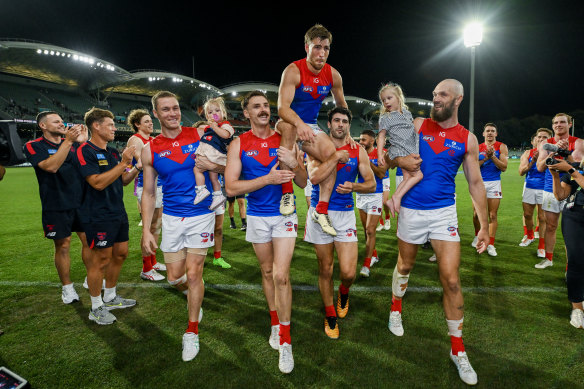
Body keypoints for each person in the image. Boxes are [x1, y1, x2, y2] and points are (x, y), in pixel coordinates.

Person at [388, 79, 489, 386]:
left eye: (442, 95)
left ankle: (457, 350)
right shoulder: (418, 124)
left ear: (457, 99)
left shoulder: (467, 139)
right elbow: (388, 155)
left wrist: (484, 225)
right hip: (412, 209)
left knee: (452, 279)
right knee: (405, 265)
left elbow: (475, 183)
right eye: (434, 95)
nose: (436, 99)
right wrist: (398, 159)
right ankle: (395, 309)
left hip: (444, 212)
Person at [225, 90, 307, 374]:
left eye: (266, 105)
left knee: (281, 275)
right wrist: (266, 179)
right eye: (256, 106)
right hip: (258, 217)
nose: (263, 109)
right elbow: (231, 188)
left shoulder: (285, 138)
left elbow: (302, 182)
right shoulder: (238, 144)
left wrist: (295, 164)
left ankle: (286, 340)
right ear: (245, 113)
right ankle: (275, 322)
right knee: (267, 272)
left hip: (284, 215)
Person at [141, 91, 215, 362]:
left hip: (201, 214)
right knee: (174, 277)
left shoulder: (199, 135)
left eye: (175, 108)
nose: (172, 113)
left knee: (194, 274)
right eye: (166, 109)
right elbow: (149, 192)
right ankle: (191, 295)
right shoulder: (149, 148)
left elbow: (225, 162)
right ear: (157, 114)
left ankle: (192, 331)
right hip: (172, 218)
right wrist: (147, 229)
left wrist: (213, 164)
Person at [305, 107, 375, 338]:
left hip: (344, 214)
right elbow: (313, 178)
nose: (340, 125)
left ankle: (343, 292)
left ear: (348, 125)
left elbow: (371, 183)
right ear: (329, 123)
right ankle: (330, 315)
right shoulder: (316, 146)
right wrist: (335, 156)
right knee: (325, 269)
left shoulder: (358, 150)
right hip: (319, 214)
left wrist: (353, 187)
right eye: (336, 120)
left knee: (348, 272)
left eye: (345, 121)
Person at [277, 23, 349, 236]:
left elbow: (341, 105)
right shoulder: (293, 70)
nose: (322, 53)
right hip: (288, 122)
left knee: (332, 154)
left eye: (326, 48)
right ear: (307, 47)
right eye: (317, 47)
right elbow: (282, 108)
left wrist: (346, 134)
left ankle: (321, 210)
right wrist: (299, 124)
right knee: (289, 127)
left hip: (311, 125)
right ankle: (287, 192)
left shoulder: (333, 75)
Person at [77, 108, 139, 325]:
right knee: (100, 259)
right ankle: (95, 307)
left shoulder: (113, 152)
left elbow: (122, 180)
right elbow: (97, 182)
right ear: (96, 126)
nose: (115, 128)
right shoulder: (85, 150)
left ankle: (111, 296)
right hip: (97, 214)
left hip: (117, 211)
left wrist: (137, 166)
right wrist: (124, 163)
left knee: (121, 253)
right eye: (110, 124)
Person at [24, 111, 89, 304]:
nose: (62, 124)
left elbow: (87, 166)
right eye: (56, 121)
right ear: (43, 125)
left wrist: (83, 143)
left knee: (90, 242)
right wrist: (69, 142)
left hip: (81, 201)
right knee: (63, 245)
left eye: (62, 120)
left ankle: (91, 277)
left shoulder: (73, 143)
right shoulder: (34, 145)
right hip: (56, 203)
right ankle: (67, 288)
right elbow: (51, 167)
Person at [535, 113, 583, 269]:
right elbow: (540, 167)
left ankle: (572, 265)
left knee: (573, 230)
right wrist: (553, 153)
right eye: (555, 122)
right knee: (551, 226)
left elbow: (580, 166)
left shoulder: (579, 143)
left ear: (570, 125)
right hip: (551, 189)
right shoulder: (546, 143)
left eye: (562, 122)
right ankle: (548, 259)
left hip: (574, 191)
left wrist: (566, 154)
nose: (558, 125)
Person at [126, 109, 166, 281]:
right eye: (147, 121)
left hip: (159, 185)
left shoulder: (152, 140)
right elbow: (144, 161)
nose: (151, 124)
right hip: (146, 186)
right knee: (148, 228)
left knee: (156, 225)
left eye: (151, 121)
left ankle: (153, 261)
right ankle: (146, 268)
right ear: (137, 124)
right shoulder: (135, 139)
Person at [376, 83, 423, 218]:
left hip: (410, 148)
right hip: (399, 149)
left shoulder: (407, 114)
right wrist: (380, 154)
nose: (386, 102)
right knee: (418, 175)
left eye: (389, 98)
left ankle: (394, 199)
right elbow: (381, 136)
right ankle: (396, 197)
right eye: (383, 100)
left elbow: (412, 130)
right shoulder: (386, 117)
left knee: (408, 177)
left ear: (399, 97)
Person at [549, 158, 584, 329]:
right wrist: (555, 175)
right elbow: (560, 195)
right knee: (575, 259)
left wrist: (571, 171)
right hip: (574, 216)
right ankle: (577, 308)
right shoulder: (576, 166)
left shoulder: (573, 169)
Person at [471, 123, 508, 257]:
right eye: (488, 131)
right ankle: (477, 236)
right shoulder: (477, 147)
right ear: (483, 134)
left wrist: (492, 157)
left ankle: (491, 244)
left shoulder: (501, 146)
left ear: (496, 134)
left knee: (492, 215)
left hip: (494, 183)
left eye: (493, 131)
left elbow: (504, 167)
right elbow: (473, 166)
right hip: (479, 183)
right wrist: (486, 157)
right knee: (476, 214)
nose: (490, 133)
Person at [356, 129, 388, 276]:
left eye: (363, 140)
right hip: (360, 194)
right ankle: (374, 255)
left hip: (375, 194)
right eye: (360, 139)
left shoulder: (381, 154)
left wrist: (367, 162)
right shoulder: (357, 153)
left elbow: (382, 173)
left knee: (370, 230)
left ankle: (366, 265)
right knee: (365, 231)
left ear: (372, 141)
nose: (361, 142)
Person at [193, 97, 234, 210]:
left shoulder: (225, 125)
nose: (214, 114)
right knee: (213, 177)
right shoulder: (208, 128)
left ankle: (201, 189)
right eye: (210, 112)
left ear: (223, 113)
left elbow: (226, 135)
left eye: (217, 111)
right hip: (212, 156)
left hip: (215, 155)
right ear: (207, 116)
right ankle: (218, 195)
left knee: (197, 169)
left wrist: (215, 127)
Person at [518, 129, 552, 256]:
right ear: (535, 139)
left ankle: (541, 246)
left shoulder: (553, 153)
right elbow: (521, 172)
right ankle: (530, 236)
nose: (541, 139)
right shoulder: (528, 153)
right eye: (539, 137)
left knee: (542, 217)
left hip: (545, 188)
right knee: (527, 215)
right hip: (530, 187)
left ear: (549, 139)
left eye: (545, 137)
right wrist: (533, 161)